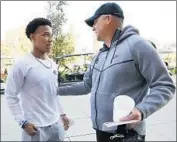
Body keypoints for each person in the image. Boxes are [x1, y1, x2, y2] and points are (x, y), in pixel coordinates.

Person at [59, 2, 175, 142]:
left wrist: (141, 110)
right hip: (101, 131)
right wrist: (55, 89)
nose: (93, 28)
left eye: (95, 22)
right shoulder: (98, 56)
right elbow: (86, 85)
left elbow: (165, 85)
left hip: (128, 135)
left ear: (108, 19)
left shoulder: (138, 45)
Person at [5, 18, 69, 141]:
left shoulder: (52, 63)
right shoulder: (22, 64)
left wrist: (62, 113)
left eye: (51, 35)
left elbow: (53, 93)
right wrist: (23, 123)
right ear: (33, 37)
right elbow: (10, 96)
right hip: (35, 129)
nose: (50, 40)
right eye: (45, 35)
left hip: (56, 125)